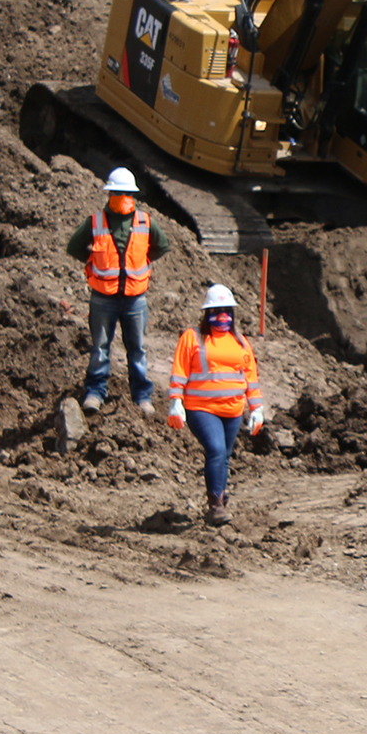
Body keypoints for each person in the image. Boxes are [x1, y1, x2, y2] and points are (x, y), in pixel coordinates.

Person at [167, 283, 267, 526]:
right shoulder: (192, 338)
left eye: (227, 311)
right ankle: (215, 506)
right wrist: (175, 402)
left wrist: (257, 408)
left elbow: (250, 378)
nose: (222, 316)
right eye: (216, 310)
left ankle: (220, 494)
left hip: (233, 409)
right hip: (201, 408)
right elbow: (179, 372)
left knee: (224, 455)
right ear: (206, 314)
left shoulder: (241, 342)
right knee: (216, 449)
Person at [65, 167, 154, 415]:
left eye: (125, 193)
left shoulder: (145, 221)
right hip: (104, 297)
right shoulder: (96, 222)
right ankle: (95, 393)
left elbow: (160, 246)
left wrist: (140, 264)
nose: (122, 197)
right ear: (109, 193)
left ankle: (142, 397)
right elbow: (74, 246)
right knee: (100, 348)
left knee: (137, 349)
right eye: (117, 192)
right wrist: (93, 261)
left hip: (135, 298)